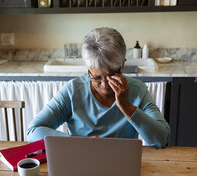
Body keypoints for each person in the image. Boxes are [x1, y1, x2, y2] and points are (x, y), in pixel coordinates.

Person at [26, 27, 170, 148]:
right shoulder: (73, 90)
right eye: (96, 78)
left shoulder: (138, 90)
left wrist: (127, 107)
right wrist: (79, 143)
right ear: (88, 70)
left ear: (123, 65)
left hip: (123, 163)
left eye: (112, 75)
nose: (105, 85)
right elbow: (33, 131)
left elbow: (161, 139)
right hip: (80, 161)